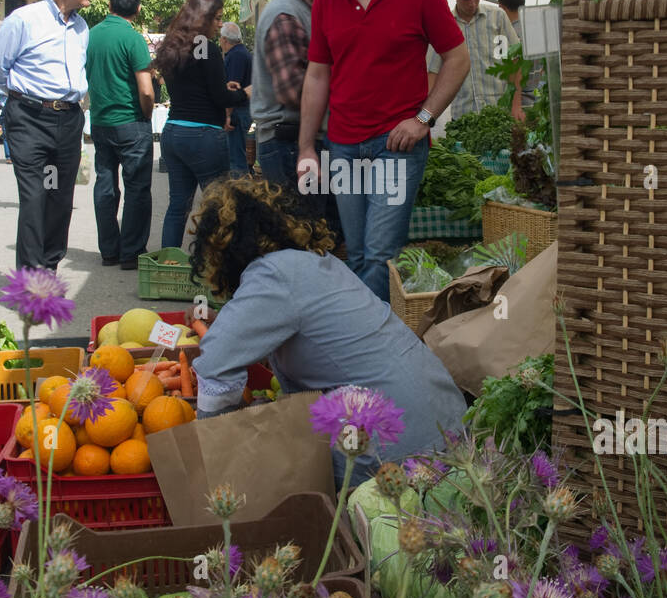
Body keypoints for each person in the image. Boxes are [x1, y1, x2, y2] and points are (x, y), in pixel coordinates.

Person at [188, 177, 467, 485]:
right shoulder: (315, 263)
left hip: (395, 449)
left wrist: (216, 448)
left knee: (267, 449)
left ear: (224, 250)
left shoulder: (273, 275)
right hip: (447, 422)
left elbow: (214, 364)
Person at [301, 0, 470, 302]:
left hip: (396, 146)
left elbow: (458, 58)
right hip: (342, 146)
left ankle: (361, 348)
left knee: (379, 255)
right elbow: (318, 74)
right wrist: (307, 145)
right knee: (356, 252)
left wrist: (424, 118)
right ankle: (370, 341)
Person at [0, 0, 99, 270]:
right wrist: (26, 97)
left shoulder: (81, 27)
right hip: (29, 119)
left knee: (60, 199)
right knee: (35, 199)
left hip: (68, 119)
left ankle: (48, 271)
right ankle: (30, 283)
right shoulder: (23, 20)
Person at [252, 0, 342, 236]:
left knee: (309, 233)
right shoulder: (286, 14)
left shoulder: (299, 10)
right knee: (305, 235)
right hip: (288, 145)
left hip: (290, 144)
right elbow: (293, 90)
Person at [153, 0, 249, 249]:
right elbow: (220, 98)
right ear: (202, 18)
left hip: (173, 132)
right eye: (217, 19)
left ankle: (169, 264)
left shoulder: (173, 46)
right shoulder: (206, 47)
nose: (220, 25)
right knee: (219, 207)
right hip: (203, 135)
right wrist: (245, 92)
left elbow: (193, 87)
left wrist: (222, 88)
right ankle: (215, 267)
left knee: (178, 206)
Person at [86, 0, 155, 269]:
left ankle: (109, 251)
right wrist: (147, 115)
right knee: (137, 187)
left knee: (105, 185)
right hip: (131, 121)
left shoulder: (90, 36)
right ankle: (132, 252)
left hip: (101, 121)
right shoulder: (133, 38)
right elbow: (147, 90)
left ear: (110, 5)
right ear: (137, 9)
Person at [426, 0, 523, 120]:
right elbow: (432, 73)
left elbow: (514, 61)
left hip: (499, 112)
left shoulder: (497, 18)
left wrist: (516, 104)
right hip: (463, 117)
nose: (472, 3)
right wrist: (424, 118)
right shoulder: (444, 25)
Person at [498, 0, 542, 108]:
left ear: (501, 7)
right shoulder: (536, 31)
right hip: (537, 100)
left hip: (517, 104)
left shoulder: (507, 34)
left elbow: (507, 72)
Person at [220, 22, 252, 173]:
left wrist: (227, 115)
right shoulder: (241, 53)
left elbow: (233, 89)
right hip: (241, 110)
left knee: (236, 159)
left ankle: (240, 193)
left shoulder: (236, 55)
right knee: (235, 156)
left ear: (225, 39)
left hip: (238, 111)